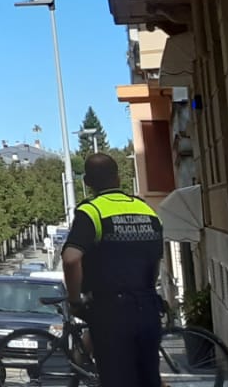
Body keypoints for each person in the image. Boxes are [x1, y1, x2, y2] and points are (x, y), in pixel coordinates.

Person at [62, 154, 163, 387]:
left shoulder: (91, 211)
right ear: (118, 177)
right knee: (149, 378)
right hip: (148, 307)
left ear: (87, 182)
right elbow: (156, 257)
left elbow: (70, 259)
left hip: (111, 311)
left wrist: (74, 299)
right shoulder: (146, 209)